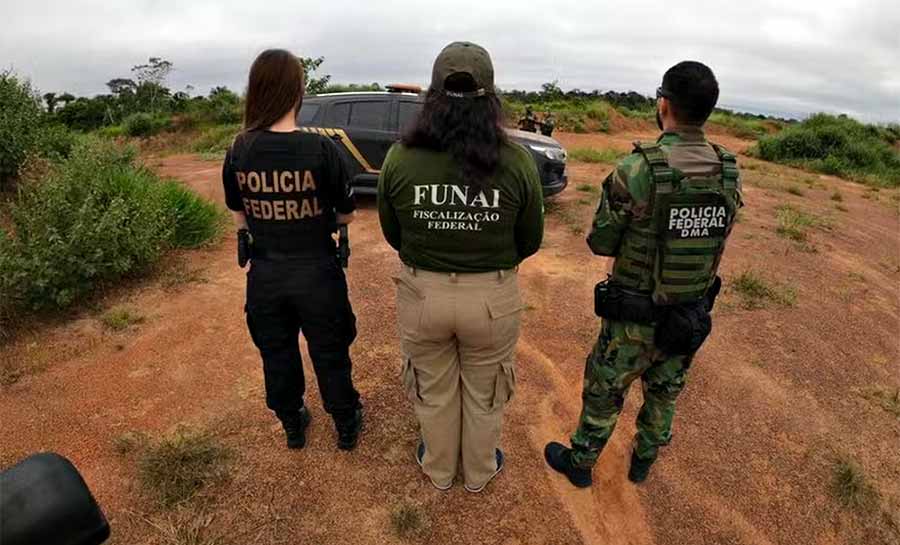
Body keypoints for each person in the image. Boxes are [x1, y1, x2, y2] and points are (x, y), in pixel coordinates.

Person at [544, 61, 743, 487]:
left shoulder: (636, 169)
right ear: (708, 110)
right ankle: (643, 461)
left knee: (604, 388)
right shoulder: (728, 170)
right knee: (665, 391)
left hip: (632, 318)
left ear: (663, 104)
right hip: (689, 313)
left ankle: (581, 463)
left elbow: (601, 242)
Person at [377, 42, 544, 493]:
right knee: (486, 391)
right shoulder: (516, 160)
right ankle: (478, 471)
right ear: (492, 99)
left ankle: (438, 469)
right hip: (491, 299)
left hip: (423, 295)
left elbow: (393, 233)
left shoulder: (400, 157)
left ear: (430, 97)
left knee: (433, 388)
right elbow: (530, 239)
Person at [221, 49, 363, 452]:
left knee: (276, 353)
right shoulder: (322, 150)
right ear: (297, 91)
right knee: (330, 350)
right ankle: (346, 423)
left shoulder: (238, 150)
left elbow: (239, 214)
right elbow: (348, 214)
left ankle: (292, 424)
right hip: (317, 271)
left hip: (265, 275)